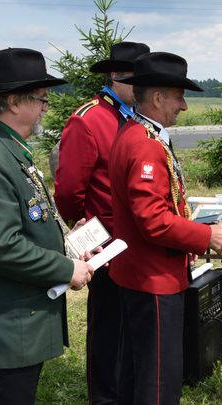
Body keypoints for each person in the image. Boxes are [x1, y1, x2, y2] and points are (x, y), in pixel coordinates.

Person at [0, 47, 95, 404]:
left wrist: (66, 242)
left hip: (15, 325)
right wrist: (65, 268)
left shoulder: (7, 147)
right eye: (41, 99)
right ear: (13, 101)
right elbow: (2, 246)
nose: (46, 107)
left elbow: (25, 221)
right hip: (0, 330)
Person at [108, 51, 222, 405]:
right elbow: (153, 220)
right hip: (153, 278)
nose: (184, 106)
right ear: (158, 97)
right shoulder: (145, 145)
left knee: (137, 370)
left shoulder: (136, 133)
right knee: (159, 379)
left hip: (138, 273)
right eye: (179, 96)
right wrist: (205, 236)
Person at [54, 41, 150, 404]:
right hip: (105, 243)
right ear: (115, 75)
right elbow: (68, 190)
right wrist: (85, 230)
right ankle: (106, 397)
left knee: (135, 322)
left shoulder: (137, 117)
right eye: (137, 80)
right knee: (109, 327)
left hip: (140, 239)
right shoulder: (90, 119)